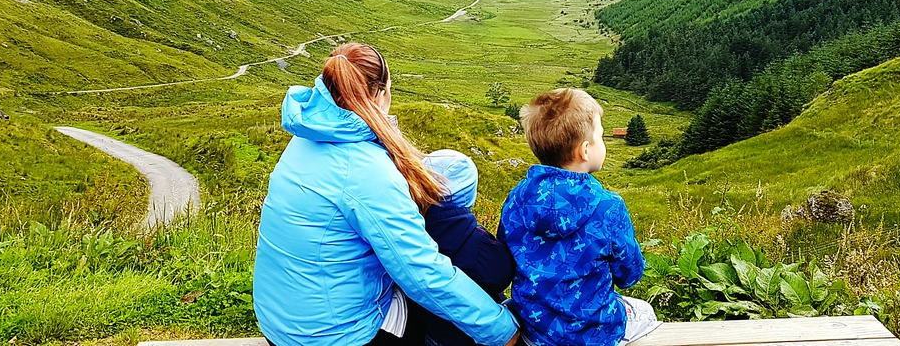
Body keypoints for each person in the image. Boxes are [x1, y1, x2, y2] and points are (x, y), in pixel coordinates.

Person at [253, 43, 520, 346]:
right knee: (442, 310)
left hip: (281, 321)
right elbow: (422, 274)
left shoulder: (308, 134)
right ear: (380, 94)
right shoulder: (365, 169)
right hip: (337, 337)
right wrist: (503, 331)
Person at [499, 88, 660, 346]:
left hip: (535, 329)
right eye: (601, 136)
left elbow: (506, 255)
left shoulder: (516, 199)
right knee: (645, 312)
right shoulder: (609, 207)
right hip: (596, 332)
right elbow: (630, 275)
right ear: (585, 150)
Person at [417, 150, 516, 346]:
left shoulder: (412, 229)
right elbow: (502, 274)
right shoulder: (471, 240)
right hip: (467, 336)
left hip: (431, 331)